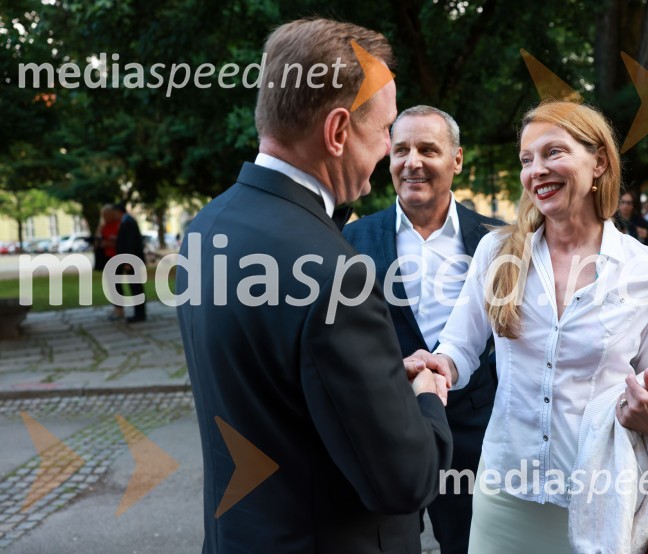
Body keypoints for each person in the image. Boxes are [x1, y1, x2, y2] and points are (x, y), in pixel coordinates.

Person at [176, 19, 453, 554]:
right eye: (385, 130)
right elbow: (406, 480)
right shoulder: (335, 273)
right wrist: (423, 398)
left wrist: (377, 381)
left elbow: (275, 384)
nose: (387, 151)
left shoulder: (206, 229)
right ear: (338, 131)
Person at [433, 100, 648, 551]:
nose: (537, 171)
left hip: (601, 496)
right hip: (504, 491)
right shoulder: (496, 253)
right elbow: (459, 346)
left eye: (553, 152)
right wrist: (437, 367)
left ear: (599, 161)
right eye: (527, 159)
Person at [343, 105, 501, 554]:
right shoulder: (351, 240)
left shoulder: (497, 239)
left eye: (428, 150)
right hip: (386, 426)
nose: (412, 162)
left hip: (473, 428)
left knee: (469, 544)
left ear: (456, 159)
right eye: (401, 150)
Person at [113, 203, 146, 323]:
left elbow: (131, 242)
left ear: (118, 211)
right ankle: (139, 313)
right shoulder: (127, 221)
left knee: (136, 287)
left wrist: (128, 260)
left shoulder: (128, 222)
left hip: (132, 261)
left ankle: (140, 314)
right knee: (135, 287)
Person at [98, 204, 123, 320]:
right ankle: (116, 307)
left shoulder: (119, 224)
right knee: (111, 284)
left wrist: (108, 243)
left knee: (117, 284)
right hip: (107, 258)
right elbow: (98, 239)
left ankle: (120, 310)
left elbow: (120, 242)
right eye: (104, 215)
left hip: (117, 258)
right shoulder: (104, 226)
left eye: (107, 214)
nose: (105, 217)